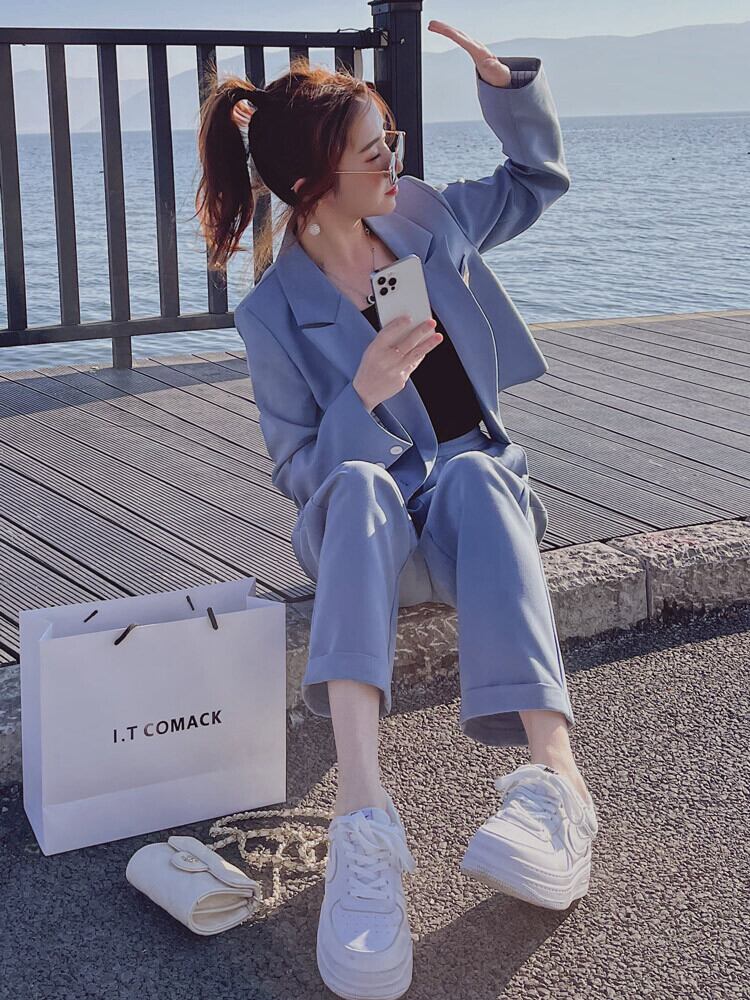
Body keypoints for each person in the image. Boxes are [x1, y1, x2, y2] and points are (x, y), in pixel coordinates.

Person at [195, 19, 598, 1000]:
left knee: (480, 474)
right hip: (362, 527)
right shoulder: (273, 312)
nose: (394, 163)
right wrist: (364, 393)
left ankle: (559, 789)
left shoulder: (421, 223)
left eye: (393, 143)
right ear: (310, 183)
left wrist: (509, 88)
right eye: (374, 153)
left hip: (467, 513)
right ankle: (363, 824)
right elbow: (303, 471)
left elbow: (535, 181)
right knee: (365, 482)